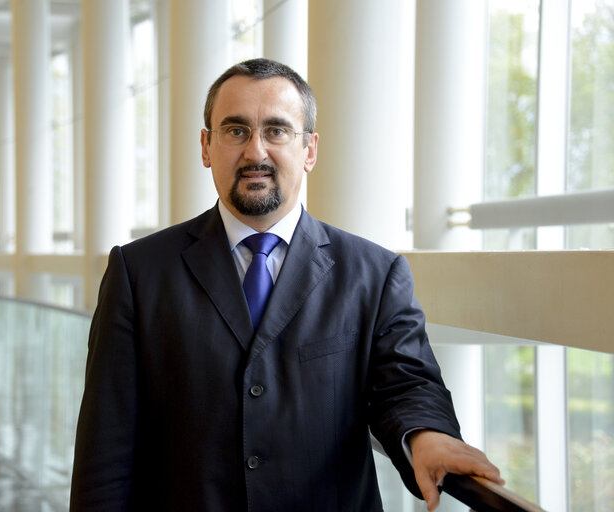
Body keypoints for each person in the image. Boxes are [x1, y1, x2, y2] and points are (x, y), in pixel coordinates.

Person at [70, 58, 502, 511]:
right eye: (235, 131)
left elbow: (406, 383)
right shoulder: (139, 272)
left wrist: (426, 436)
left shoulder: (374, 273)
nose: (255, 152)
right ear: (206, 146)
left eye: (277, 131)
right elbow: (106, 444)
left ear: (309, 150)